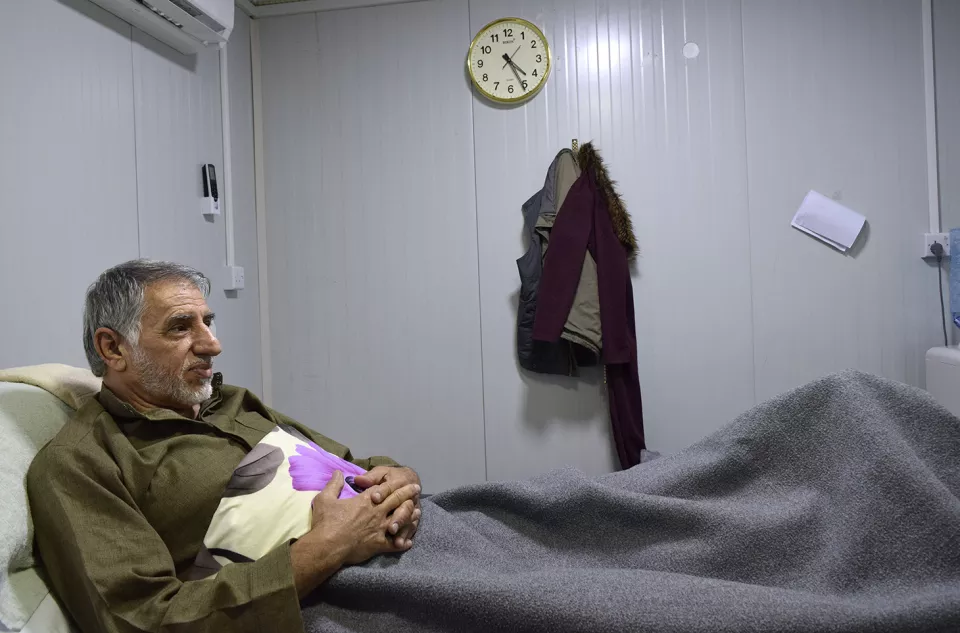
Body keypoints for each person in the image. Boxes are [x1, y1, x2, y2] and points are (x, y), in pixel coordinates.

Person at [26, 260, 422, 633]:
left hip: (413, 531)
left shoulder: (231, 400)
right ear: (113, 348)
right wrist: (328, 547)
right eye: (180, 328)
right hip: (335, 599)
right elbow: (143, 617)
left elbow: (351, 463)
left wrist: (400, 478)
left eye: (208, 322)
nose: (212, 345)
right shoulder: (81, 462)